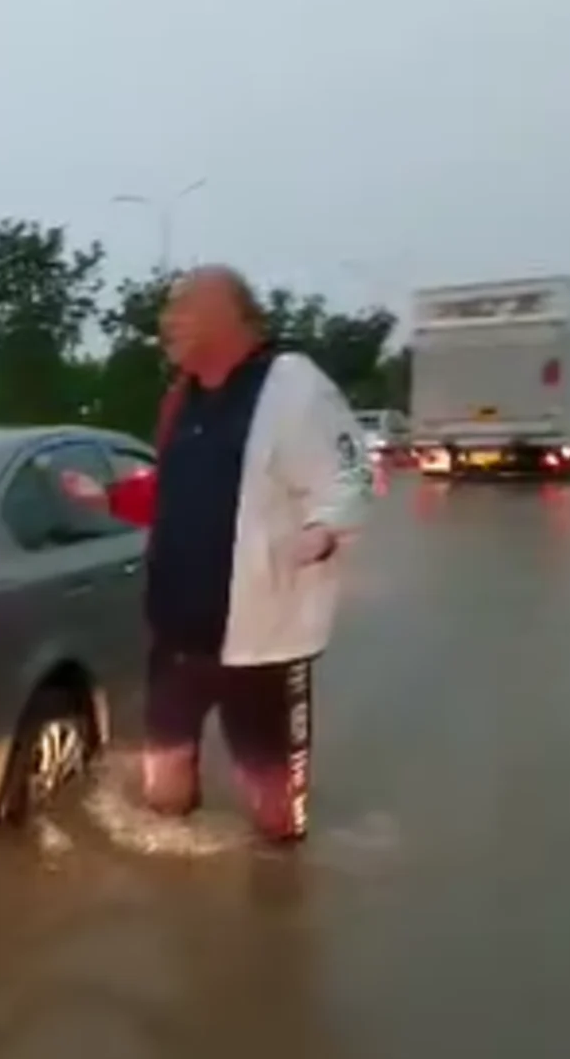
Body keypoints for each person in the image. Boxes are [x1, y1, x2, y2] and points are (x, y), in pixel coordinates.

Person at [108, 265, 372, 845]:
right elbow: (172, 492)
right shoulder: (182, 400)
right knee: (162, 796)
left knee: (275, 810)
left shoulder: (293, 387)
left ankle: (281, 904)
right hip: (176, 637)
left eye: (181, 308)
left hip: (262, 643)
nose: (165, 323)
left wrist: (323, 531)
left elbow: (349, 474)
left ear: (228, 315)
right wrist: (103, 496)